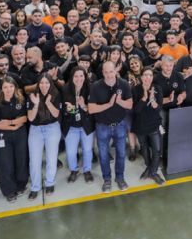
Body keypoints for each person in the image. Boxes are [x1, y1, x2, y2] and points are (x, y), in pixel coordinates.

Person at [88, 61, 133, 192]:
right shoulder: (95, 86)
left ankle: (120, 178)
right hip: (102, 126)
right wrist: (108, 104)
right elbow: (91, 109)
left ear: (115, 71)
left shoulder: (124, 84)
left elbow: (130, 104)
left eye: (111, 72)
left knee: (121, 153)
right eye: (106, 72)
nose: (109, 75)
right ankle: (107, 180)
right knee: (103, 155)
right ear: (102, 73)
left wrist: (119, 102)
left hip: (120, 125)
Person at [0, 76, 29, 202]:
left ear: (15, 87)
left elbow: (24, 118)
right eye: (5, 87)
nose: (8, 89)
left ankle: (21, 185)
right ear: (1, 89)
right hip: (3, 136)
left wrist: (9, 122)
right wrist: (13, 126)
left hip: (20, 134)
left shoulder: (21, 100)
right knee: (6, 163)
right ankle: (9, 190)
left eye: (11, 86)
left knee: (21, 160)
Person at [26, 75, 63, 198]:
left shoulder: (56, 95)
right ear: (38, 84)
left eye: (47, 83)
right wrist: (36, 104)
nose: (44, 86)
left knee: (51, 158)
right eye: (41, 83)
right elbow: (30, 118)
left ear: (50, 84)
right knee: (34, 160)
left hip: (52, 127)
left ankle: (50, 183)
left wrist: (48, 102)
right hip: (36, 130)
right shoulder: (32, 96)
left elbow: (56, 113)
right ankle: (35, 186)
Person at [133, 68, 165, 185]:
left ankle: (153, 172)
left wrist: (152, 100)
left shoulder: (158, 88)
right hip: (140, 126)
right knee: (144, 148)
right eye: (145, 75)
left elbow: (159, 109)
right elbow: (136, 110)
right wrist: (144, 98)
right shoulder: (135, 90)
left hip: (154, 125)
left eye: (150, 75)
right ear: (141, 77)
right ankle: (149, 168)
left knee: (156, 150)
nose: (148, 77)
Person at [63, 67, 95, 184]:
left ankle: (87, 170)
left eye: (81, 76)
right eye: (76, 76)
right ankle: (74, 170)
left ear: (85, 77)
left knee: (87, 149)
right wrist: (69, 110)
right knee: (71, 152)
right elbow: (63, 111)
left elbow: (92, 110)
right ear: (72, 77)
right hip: (71, 126)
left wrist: (83, 106)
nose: (79, 79)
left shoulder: (90, 88)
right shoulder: (65, 89)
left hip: (86, 125)